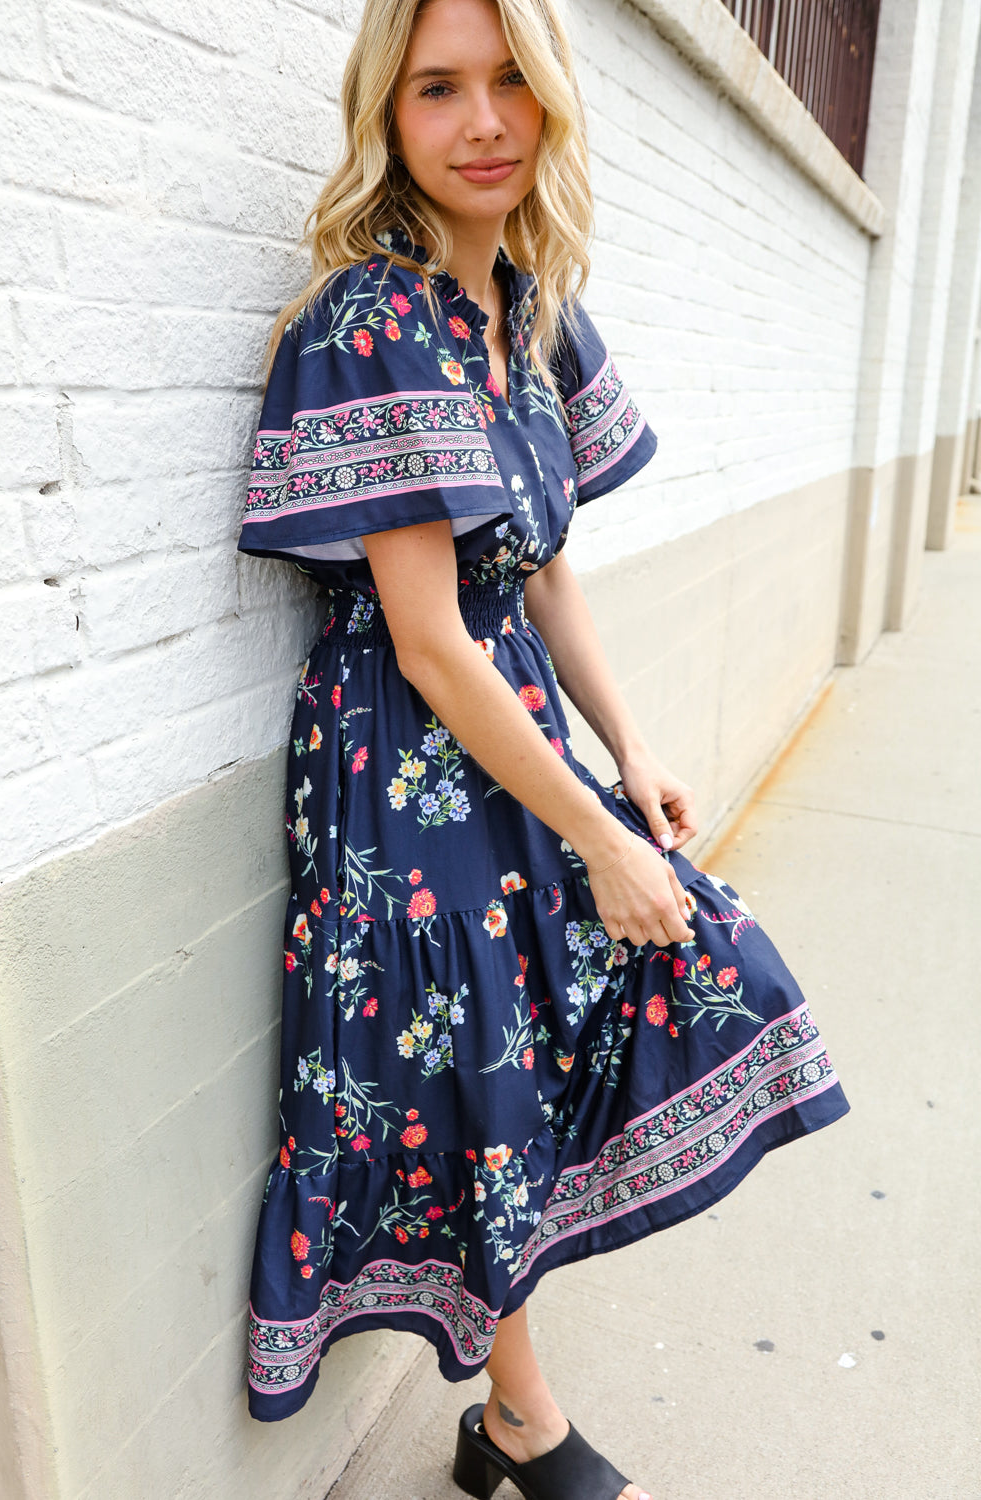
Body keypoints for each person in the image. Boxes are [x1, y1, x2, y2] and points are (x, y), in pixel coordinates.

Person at [236, 0, 850, 1495]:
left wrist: (626, 750)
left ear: (557, 98)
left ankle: (514, 1418)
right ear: (387, 115)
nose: (484, 120)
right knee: (479, 1086)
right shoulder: (369, 319)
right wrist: (597, 833)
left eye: (512, 79)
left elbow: (545, 567)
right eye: (439, 89)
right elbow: (432, 634)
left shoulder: (533, 308)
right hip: (407, 759)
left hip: (514, 740)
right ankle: (524, 1419)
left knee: (592, 1030)